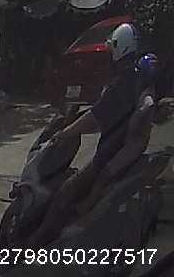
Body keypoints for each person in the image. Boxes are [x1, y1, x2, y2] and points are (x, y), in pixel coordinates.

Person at [28, 23, 160, 245]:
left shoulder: (123, 83)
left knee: (65, 192)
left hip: (109, 154)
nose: (109, 52)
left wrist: (66, 133)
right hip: (123, 149)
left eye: (112, 47)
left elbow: (96, 117)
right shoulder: (137, 78)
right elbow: (104, 115)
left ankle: (35, 245)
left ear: (119, 47)